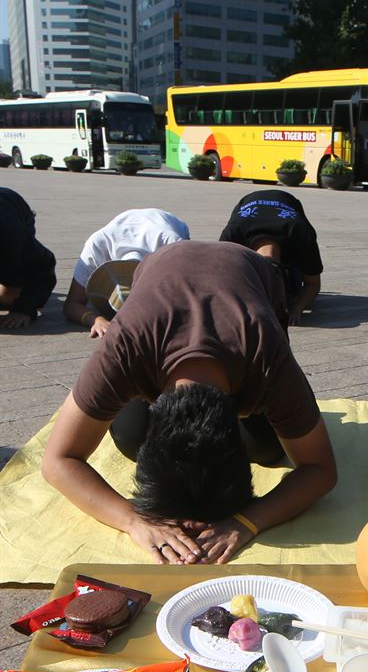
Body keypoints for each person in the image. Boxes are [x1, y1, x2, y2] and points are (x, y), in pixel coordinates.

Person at [43, 241, 336, 566]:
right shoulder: (126, 346)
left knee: (266, 446)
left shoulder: (266, 355)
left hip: (252, 270)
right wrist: (133, 519)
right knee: (129, 436)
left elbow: (320, 469)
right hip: (164, 265)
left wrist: (247, 521)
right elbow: (58, 460)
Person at [63, 208, 190, 337]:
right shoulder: (97, 245)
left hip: (167, 223)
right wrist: (97, 320)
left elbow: (192, 296)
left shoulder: (172, 244)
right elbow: (71, 305)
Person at [219, 190, 322, 325]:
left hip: (288, 203)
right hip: (248, 201)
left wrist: (297, 309)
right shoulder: (233, 236)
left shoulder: (301, 234)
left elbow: (313, 284)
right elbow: (219, 280)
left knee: (294, 288)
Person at [0, 187, 56, 329]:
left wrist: (24, 309)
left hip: (15, 207)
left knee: (9, 295)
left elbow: (45, 264)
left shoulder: (10, 236)